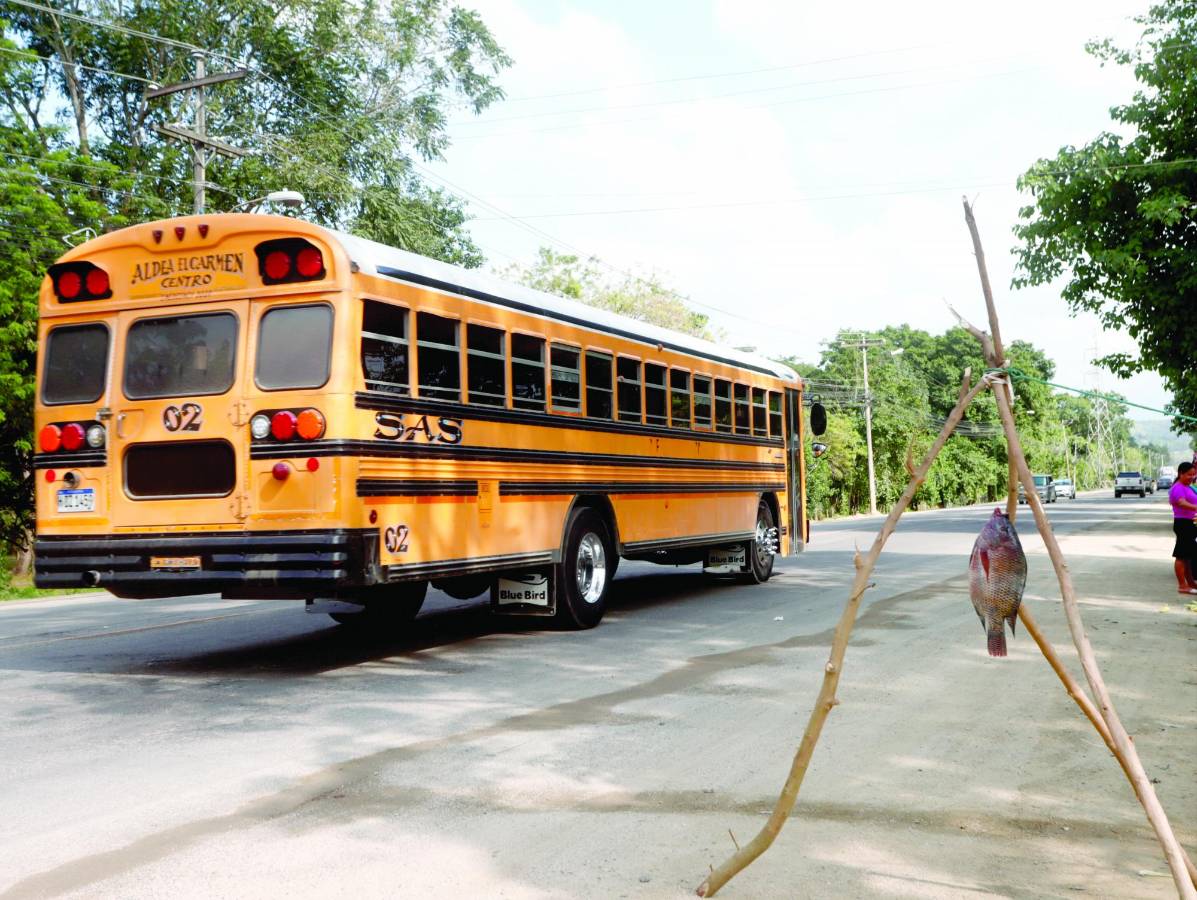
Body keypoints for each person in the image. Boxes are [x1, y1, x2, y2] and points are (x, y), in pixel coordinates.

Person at [1168, 462, 1197, 593]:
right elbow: (1181, 502)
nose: (1192, 476)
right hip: (1183, 524)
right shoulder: (1177, 487)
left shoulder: (1189, 487)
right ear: (1181, 474)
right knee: (1181, 555)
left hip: (1191, 523)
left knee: (1188, 555)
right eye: (1189, 474)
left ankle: (1190, 583)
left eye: (1193, 474)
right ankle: (1182, 585)